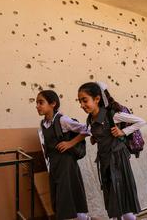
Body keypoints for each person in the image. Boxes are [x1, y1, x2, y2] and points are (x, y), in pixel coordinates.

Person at [78, 82, 145, 220]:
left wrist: (123, 131)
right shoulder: (91, 118)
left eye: (85, 100)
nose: (82, 105)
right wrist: (95, 139)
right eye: (80, 101)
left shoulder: (112, 115)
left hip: (118, 159)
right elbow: (100, 133)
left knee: (121, 196)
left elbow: (140, 121)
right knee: (113, 196)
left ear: (97, 99)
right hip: (105, 160)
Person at [36, 90, 90, 220]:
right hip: (55, 165)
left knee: (68, 197)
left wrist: (70, 143)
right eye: (36, 103)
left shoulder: (62, 120)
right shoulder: (43, 124)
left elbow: (87, 129)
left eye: (41, 102)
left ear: (53, 103)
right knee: (59, 198)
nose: (37, 106)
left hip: (67, 164)